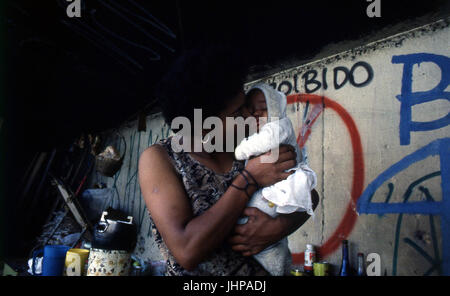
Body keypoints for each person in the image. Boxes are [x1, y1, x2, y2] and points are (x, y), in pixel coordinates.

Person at [138, 45, 319, 275]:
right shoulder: (161, 158)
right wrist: (250, 178)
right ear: (202, 125)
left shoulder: (250, 143)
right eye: (236, 113)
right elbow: (187, 250)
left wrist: (277, 227)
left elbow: (308, 194)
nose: (247, 115)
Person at [234, 83, 317, 275]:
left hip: (271, 210)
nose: (255, 114)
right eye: (251, 110)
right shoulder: (247, 137)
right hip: (242, 249)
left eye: (262, 109)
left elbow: (312, 197)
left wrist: (275, 229)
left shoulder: (277, 128)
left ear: (275, 109)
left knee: (274, 257)